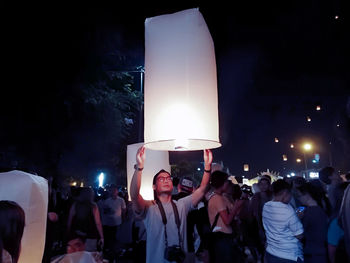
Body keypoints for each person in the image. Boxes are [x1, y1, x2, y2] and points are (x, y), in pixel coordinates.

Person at [130, 146, 213, 263]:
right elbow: (134, 195)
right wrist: (139, 167)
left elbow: (203, 189)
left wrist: (208, 166)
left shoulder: (181, 204)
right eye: (161, 179)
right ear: (154, 186)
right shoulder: (149, 207)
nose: (166, 180)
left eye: (168, 178)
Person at [207, 170, 245, 263]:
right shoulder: (218, 198)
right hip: (222, 238)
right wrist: (236, 206)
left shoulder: (217, 197)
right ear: (222, 183)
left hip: (222, 238)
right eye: (227, 181)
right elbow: (227, 221)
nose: (228, 183)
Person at [262, 179, 304, 263]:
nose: (291, 197)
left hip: (271, 252)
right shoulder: (288, 210)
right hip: (289, 256)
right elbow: (299, 235)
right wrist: (298, 218)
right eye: (290, 194)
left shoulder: (266, 206)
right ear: (285, 193)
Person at [296, 182, 329, 263]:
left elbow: (299, 234)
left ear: (307, 195)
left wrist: (297, 219)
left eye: (299, 196)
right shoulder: (320, 209)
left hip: (312, 254)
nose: (299, 199)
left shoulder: (309, 212)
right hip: (321, 252)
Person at [67, 187, 104, 252]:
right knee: (88, 255)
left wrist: (68, 231)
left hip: (77, 233)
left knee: (77, 255)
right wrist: (101, 237)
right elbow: (98, 223)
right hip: (90, 235)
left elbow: (70, 220)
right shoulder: (93, 206)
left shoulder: (75, 205)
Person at [98, 184, 126, 262]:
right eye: (111, 190)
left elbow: (124, 210)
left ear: (117, 191)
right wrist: (108, 211)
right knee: (109, 238)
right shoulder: (107, 201)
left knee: (116, 239)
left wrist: (123, 220)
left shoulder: (121, 200)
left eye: (114, 190)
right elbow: (104, 211)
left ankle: (115, 253)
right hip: (108, 223)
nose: (113, 192)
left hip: (118, 223)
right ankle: (109, 253)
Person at [249, 175, 273, 260]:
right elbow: (251, 211)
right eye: (261, 184)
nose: (263, 186)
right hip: (259, 223)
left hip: (271, 223)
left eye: (265, 184)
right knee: (262, 243)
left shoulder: (272, 196)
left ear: (269, 185)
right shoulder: (256, 197)